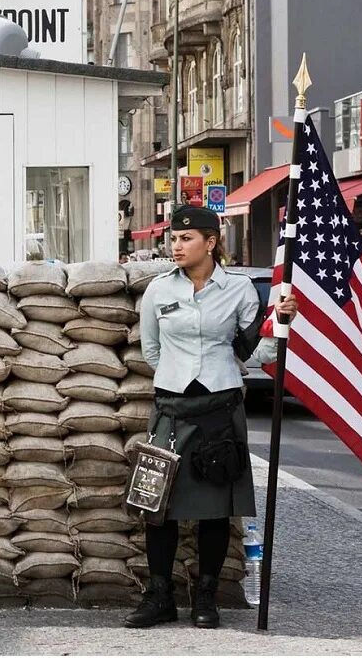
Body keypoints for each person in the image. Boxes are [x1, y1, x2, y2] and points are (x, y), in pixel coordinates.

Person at [126, 205, 297, 631]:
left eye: (186, 239)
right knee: (158, 507)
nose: (176, 245)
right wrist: (179, 377)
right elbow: (151, 351)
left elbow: (253, 352)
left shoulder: (237, 290)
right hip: (171, 408)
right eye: (173, 238)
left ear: (211, 242)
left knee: (216, 512)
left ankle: (206, 597)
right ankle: (160, 597)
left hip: (221, 411)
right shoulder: (159, 291)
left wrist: (281, 325)